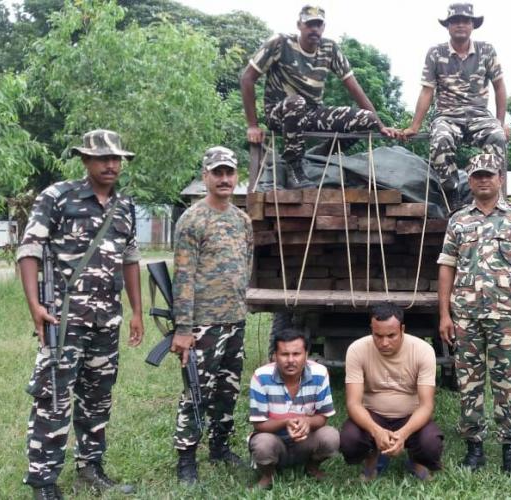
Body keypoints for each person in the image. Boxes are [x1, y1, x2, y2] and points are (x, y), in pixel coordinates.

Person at [17, 129, 143, 499]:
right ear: (85, 160)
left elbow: (130, 259)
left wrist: (137, 312)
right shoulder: (58, 197)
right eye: (103, 158)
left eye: (116, 158)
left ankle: (91, 466)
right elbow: (29, 250)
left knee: (98, 398)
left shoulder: (125, 207)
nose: (111, 165)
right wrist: (35, 307)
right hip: (64, 320)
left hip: (107, 321)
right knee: (53, 397)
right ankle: (43, 480)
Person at [437, 153, 511, 482]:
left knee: (507, 384)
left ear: (500, 179)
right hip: (465, 315)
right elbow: (446, 266)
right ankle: (474, 447)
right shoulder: (458, 221)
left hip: (506, 316)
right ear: (470, 181)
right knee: (468, 383)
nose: (483, 180)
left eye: (489, 174)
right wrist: (444, 314)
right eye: (477, 175)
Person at [240, 4, 397, 188]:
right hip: (280, 112)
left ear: (324, 27)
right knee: (296, 103)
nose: (314, 29)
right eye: (309, 24)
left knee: (367, 120)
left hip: (312, 112)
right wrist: (252, 125)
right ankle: (294, 167)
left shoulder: (329, 48)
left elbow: (355, 88)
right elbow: (247, 78)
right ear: (299, 25)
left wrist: (380, 124)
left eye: (318, 25)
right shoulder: (280, 43)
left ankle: (322, 153)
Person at [170, 146, 254, 484]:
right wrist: (183, 329)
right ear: (205, 176)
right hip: (202, 324)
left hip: (234, 320)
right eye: (217, 172)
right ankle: (186, 458)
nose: (224, 179)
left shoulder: (242, 220)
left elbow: (245, 266)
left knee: (228, 388)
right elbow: (183, 277)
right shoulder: (192, 220)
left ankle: (220, 447)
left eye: (229, 172)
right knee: (196, 391)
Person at [402, 3, 510, 209]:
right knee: (441, 138)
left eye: (465, 21)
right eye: (455, 21)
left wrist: (500, 122)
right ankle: (452, 194)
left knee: (497, 135)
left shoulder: (486, 50)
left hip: (479, 115)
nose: (460, 25)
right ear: (448, 26)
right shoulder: (436, 52)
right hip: (448, 115)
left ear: (472, 25)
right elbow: (427, 90)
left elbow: (500, 87)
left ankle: (498, 198)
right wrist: (415, 125)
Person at [339, 302, 444, 482]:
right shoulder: (357, 349)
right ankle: (372, 458)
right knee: (350, 439)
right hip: (373, 414)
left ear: (402, 329)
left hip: (410, 415)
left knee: (431, 443)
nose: (384, 342)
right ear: (371, 329)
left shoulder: (423, 350)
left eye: (391, 335)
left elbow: (427, 406)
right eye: (377, 335)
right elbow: (353, 404)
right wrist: (376, 431)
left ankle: (416, 461)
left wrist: (403, 434)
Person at [248, 328, 339, 490]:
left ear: (306, 354)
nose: (290, 360)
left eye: (296, 354)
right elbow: (259, 424)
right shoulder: (261, 377)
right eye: (284, 354)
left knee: (331, 436)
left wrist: (308, 421)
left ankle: (311, 467)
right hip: (275, 441)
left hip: (305, 441)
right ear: (275, 356)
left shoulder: (320, 373)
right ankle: (268, 475)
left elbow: (323, 417)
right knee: (262, 444)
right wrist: (285, 422)